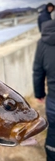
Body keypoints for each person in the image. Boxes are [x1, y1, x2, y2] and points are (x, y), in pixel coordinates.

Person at [33, 19, 55, 161]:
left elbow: (38, 71)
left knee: (53, 132)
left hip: (53, 99)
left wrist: (39, 93)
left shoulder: (43, 42)